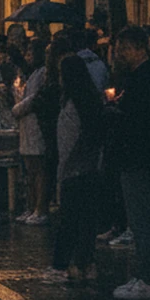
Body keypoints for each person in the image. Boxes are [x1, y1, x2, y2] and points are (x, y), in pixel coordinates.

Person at [107, 25, 150, 300]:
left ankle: (149, 278)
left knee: (144, 220)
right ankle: (144, 274)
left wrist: (116, 113)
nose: (119, 54)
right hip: (140, 157)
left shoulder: (146, 79)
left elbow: (141, 119)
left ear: (140, 49)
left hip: (140, 158)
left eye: (124, 49)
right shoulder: (141, 77)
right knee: (142, 220)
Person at [46, 55, 107, 285]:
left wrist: (62, 172)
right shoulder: (92, 101)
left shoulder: (72, 106)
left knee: (69, 220)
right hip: (91, 168)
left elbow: (68, 141)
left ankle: (60, 265)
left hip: (73, 169)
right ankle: (86, 263)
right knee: (87, 220)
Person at [12, 42, 49, 224]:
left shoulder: (42, 73)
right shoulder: (31, 74)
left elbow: (34, 98)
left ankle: (40, 208)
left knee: (39, 168)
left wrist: (18, 108)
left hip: (35, 125)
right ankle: (31, 205)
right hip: (26, 126)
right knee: (30, 169)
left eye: (30, 53)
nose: (27, 57)